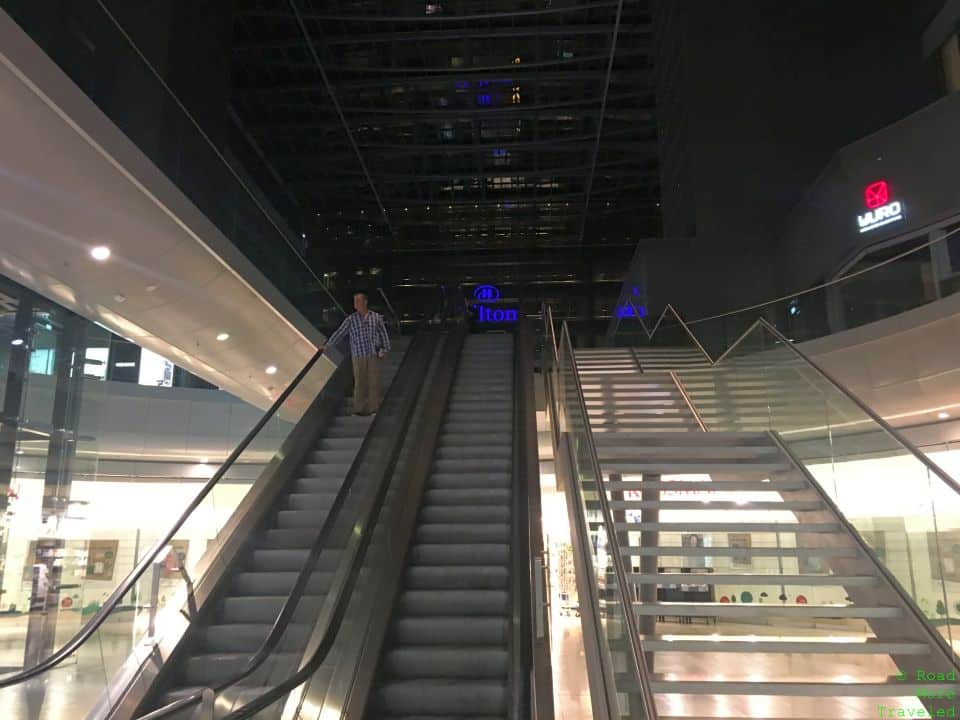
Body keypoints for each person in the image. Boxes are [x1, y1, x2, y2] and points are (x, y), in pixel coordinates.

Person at [320, 290, 391, 416]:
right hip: (358, 355)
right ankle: (359, 409)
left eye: (358, 301)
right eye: (355, 301)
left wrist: (385, 349)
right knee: (360, 382)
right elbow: (340, 333)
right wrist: (328, 345)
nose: (356, 304)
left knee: (373, 382)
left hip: (373, 354)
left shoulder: (375, 317)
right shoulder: (351, 319)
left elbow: (383, 333)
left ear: (365, 302)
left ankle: (373, 408)